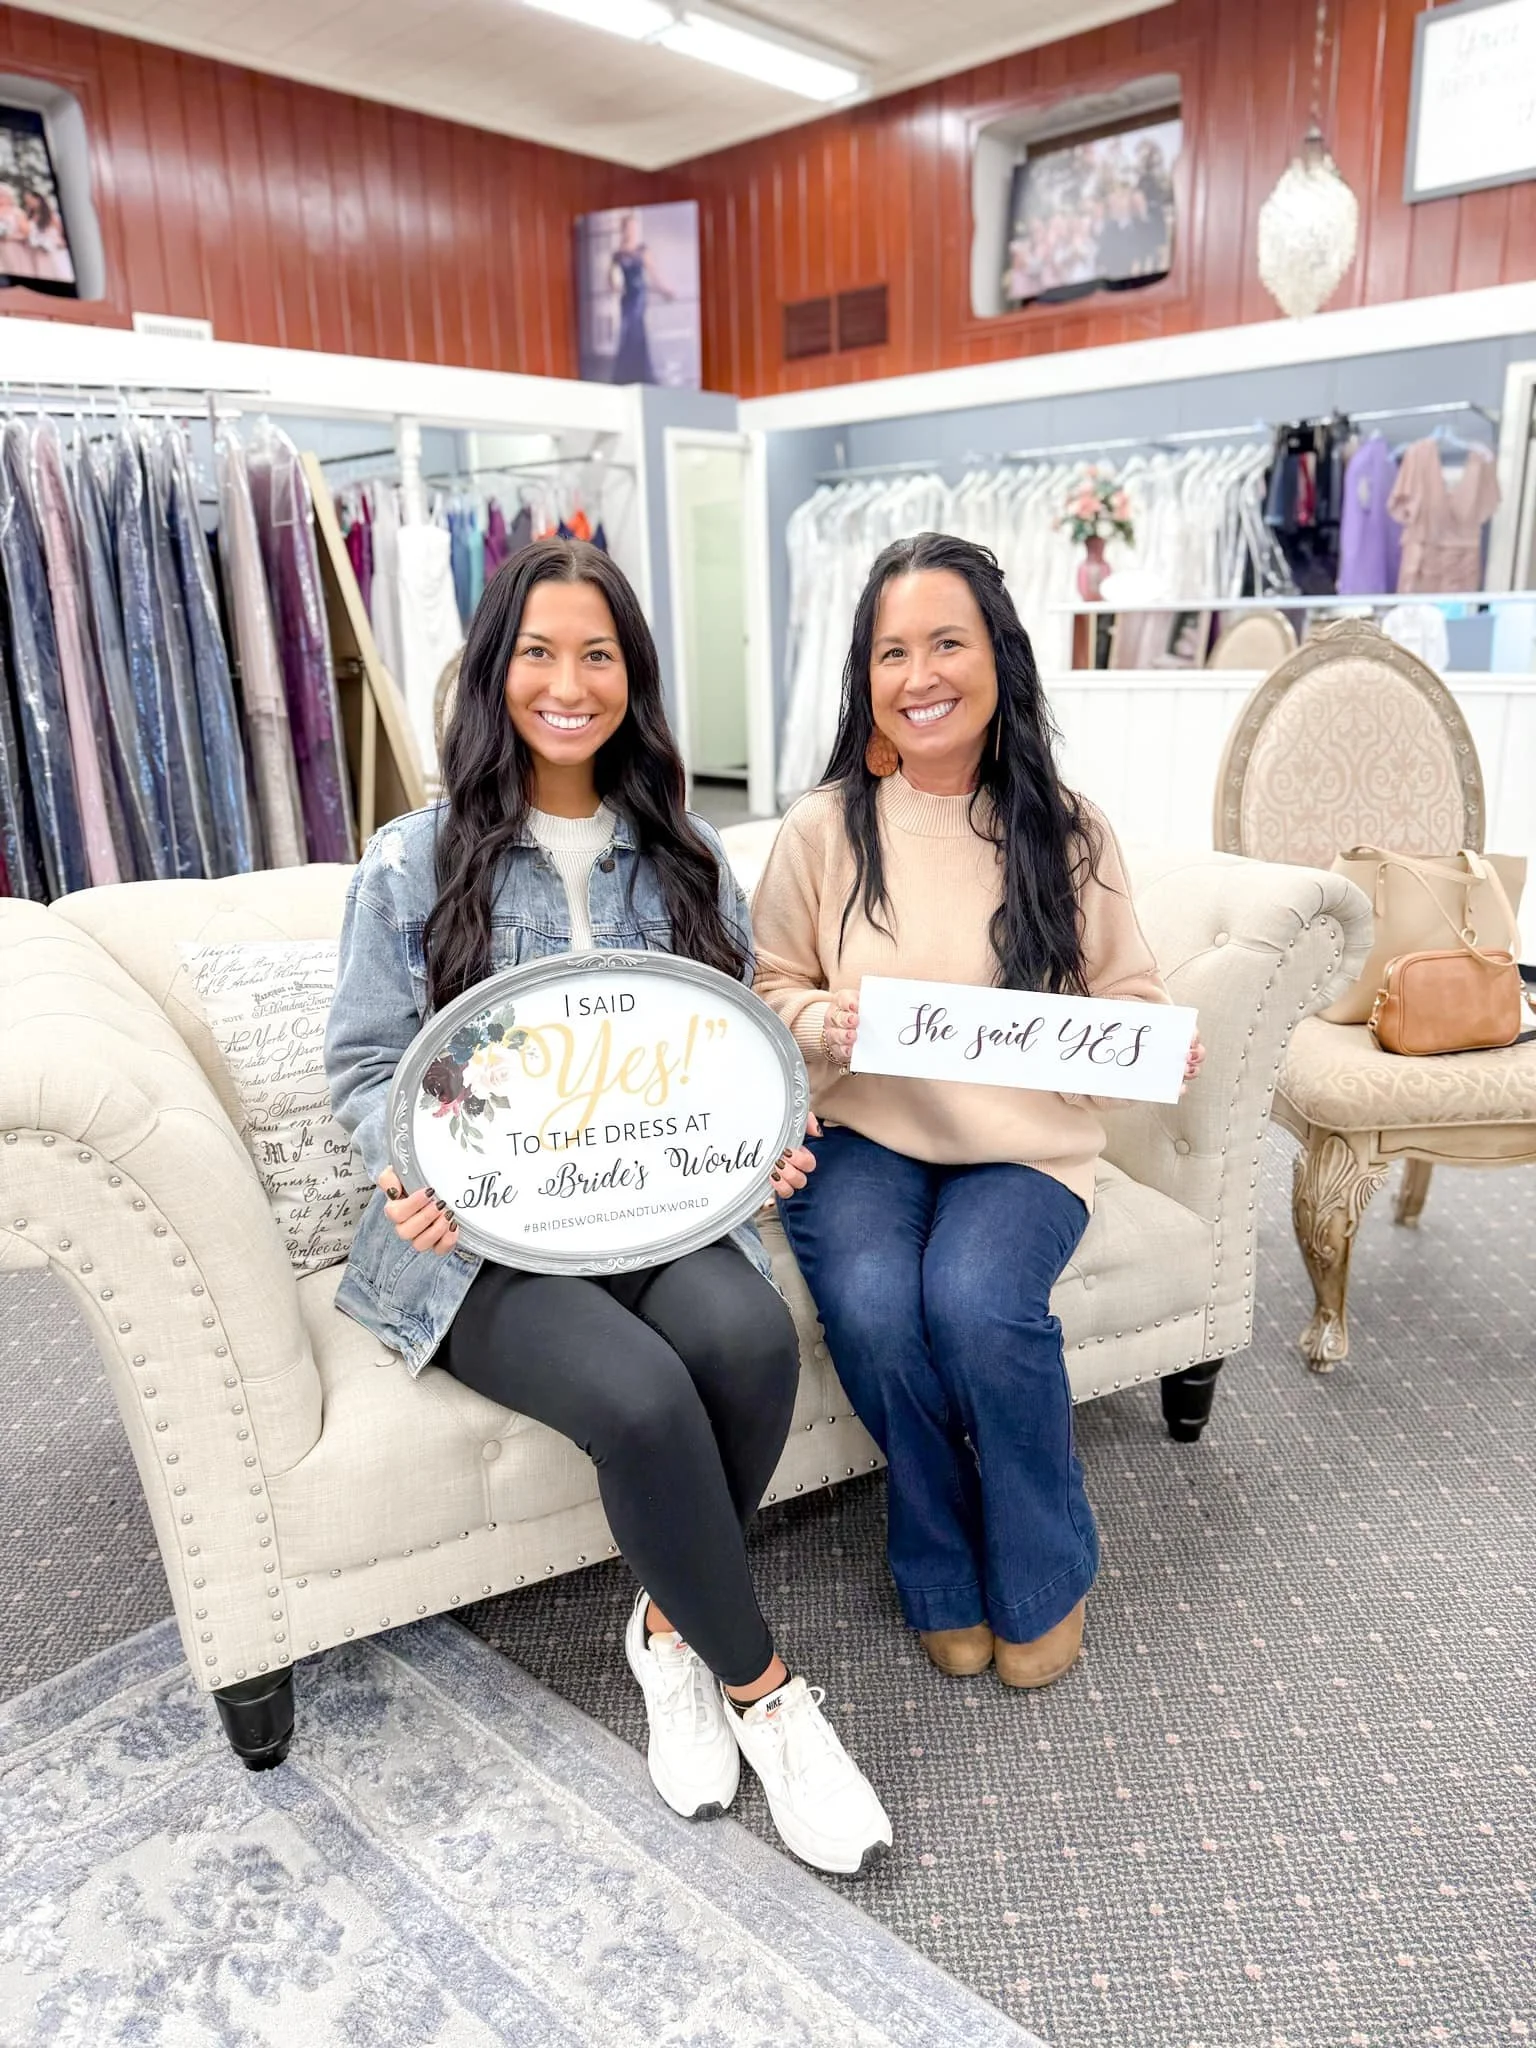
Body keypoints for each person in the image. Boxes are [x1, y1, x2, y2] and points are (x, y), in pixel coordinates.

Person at [324, 539, 891, 1877]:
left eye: (597, 655)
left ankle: (668, 1628)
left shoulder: (685, 857)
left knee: (750, 1343)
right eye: (537, 653)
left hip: (649, 1214)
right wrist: (411, 1172)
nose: (567, 684)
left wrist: (767, 1145)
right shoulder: (412, 861)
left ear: (632, 677)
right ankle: (769, 1697)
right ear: (494, 671)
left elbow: (737, 1050)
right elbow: (364, 1068)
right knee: (641, 1398)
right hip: (479, 1246)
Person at [752, 532, 1204, 1689]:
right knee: (873, 1305)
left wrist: (1148, 1045)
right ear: (866, 676)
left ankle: (1043, 1564)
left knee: (975, 1300)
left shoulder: (1068, 828)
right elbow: (770, 986)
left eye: (947, 642)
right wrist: (823, 1021)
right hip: (864, 1133)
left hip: (1022, 1146)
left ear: (999, 654)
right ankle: (939, 1557)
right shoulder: (822, 828)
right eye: (892, 652)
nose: (920, 676)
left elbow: (1130, 994)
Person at [608, 213, 673, 385]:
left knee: (636, 330)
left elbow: (653, 274)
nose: (632, 231)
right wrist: (615, 287)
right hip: (627, 297)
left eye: (634, 228)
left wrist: (664, 290)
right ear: (623, 230)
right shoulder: (618, 254)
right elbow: (610, 277)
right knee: (626, 333)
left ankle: (641, 374)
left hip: (639, 297)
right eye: (629, 228)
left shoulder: (642, 250)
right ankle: (625, 375)